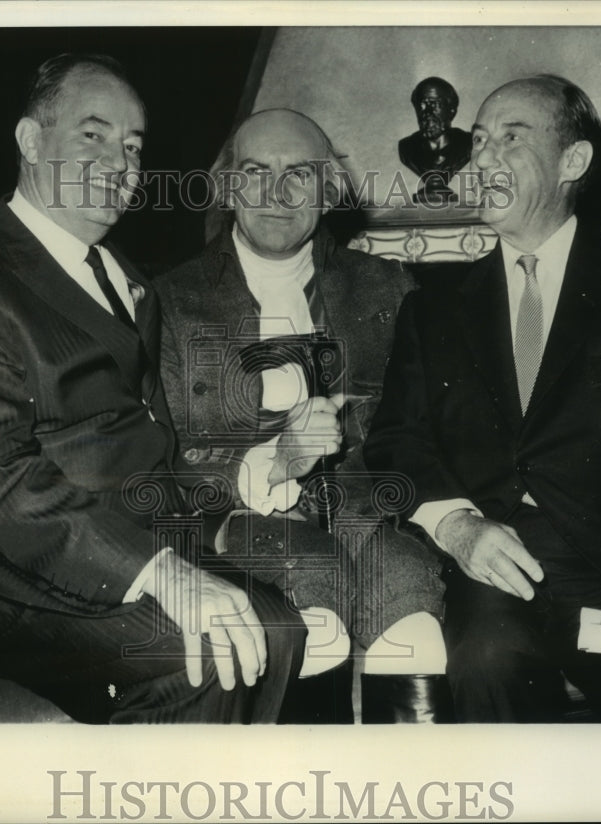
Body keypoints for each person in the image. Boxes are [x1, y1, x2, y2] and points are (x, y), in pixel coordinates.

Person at [0, 54, 314, 724]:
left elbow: (143, 448)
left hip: (136, 540)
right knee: (206, 652)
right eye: (92, 136)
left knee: (282, 628)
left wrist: (227, 522)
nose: (119, 162)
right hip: (23, 581)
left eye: (132, 146)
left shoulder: (125, 280)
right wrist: (161, 572)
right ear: (31, 142)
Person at [366, 75, 601, 722]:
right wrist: (456, 526)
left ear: (575, 161)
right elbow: (396, 442)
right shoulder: (433, 306)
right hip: (494, 573)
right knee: (483, 662)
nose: (482, 158)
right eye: (478, 141)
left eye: (511, 138)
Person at [157, 109, 450, 723]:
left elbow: (423, 428)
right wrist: (276, 461)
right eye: (256, 172)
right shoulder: (170, 301)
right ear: (228, 185)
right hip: (239, 521)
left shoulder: (387, 288)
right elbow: (172, 458)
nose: (277, 194)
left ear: (328, 189)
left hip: (366, 511)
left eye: (300, 174)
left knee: (414, 612)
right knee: (316, 603)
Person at [397, 77, 471, 202]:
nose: (427, 112)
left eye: (435, 104)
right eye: (422, 105)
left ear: (452, 110)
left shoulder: (467, 143)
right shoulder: (407, 148)